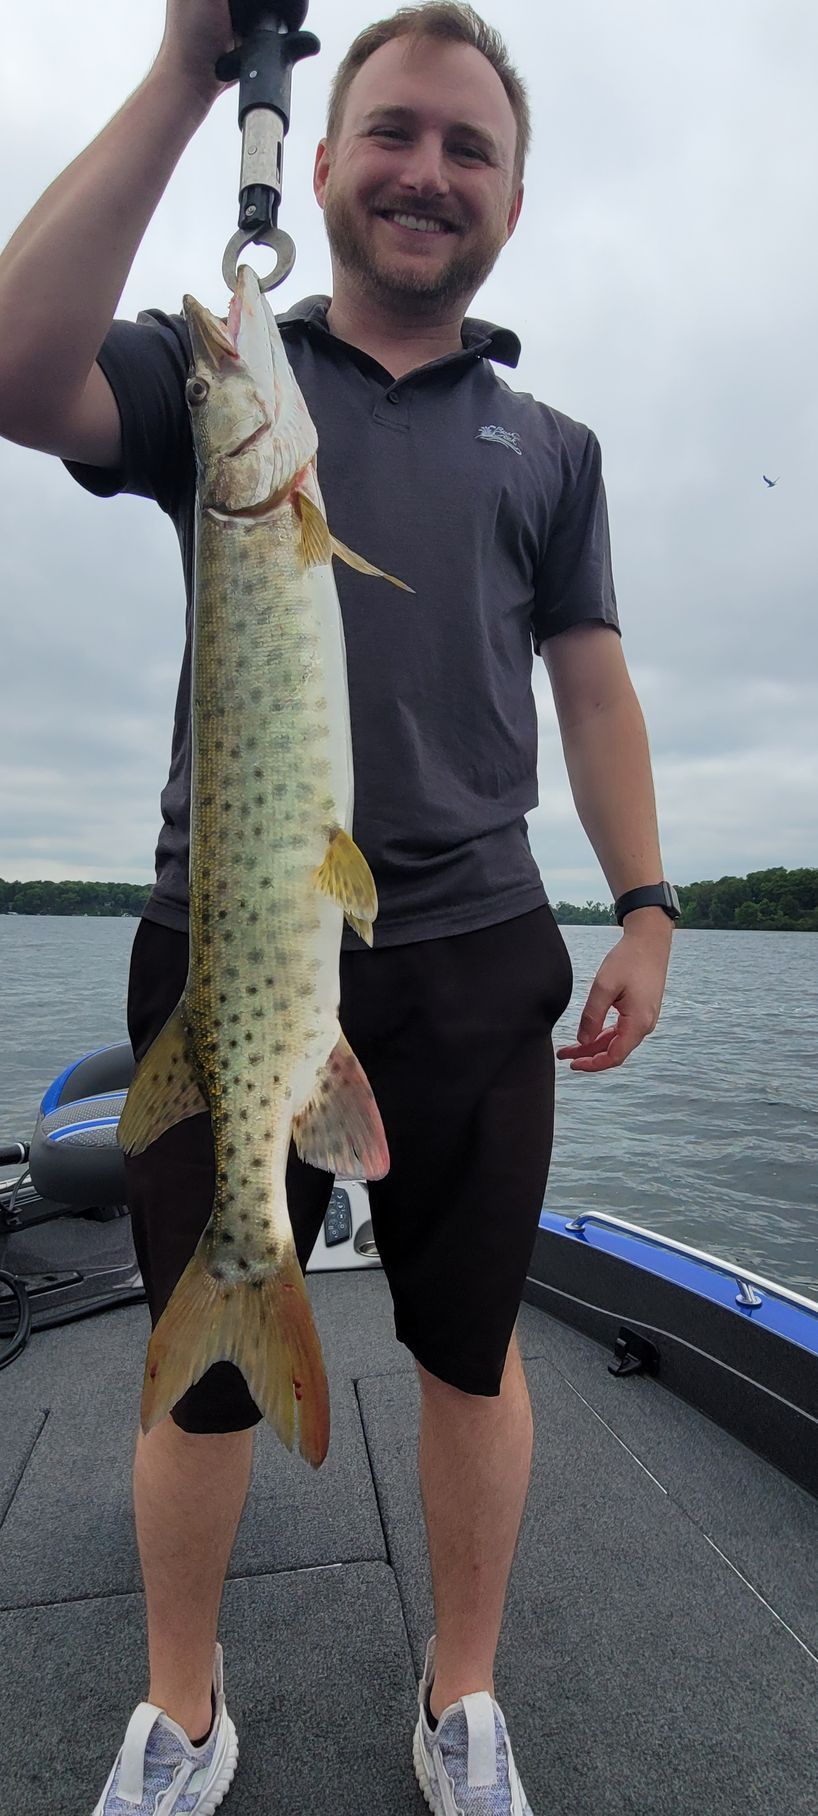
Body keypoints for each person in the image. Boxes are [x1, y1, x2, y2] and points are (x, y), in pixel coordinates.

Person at [0, 3, 677, 1811]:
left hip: (471, 959)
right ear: (320, 159)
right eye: (391, 132)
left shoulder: (551, 447)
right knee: (201, 1372)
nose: (426, 171)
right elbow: (10, 365)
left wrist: (647, 903)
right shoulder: (218, 384)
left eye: (469, 147)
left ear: (515, 199)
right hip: (225, 935)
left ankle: (461, 1699)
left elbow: (592, 690)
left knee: (469, 1350)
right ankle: (179, 1710)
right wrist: (181, 76)